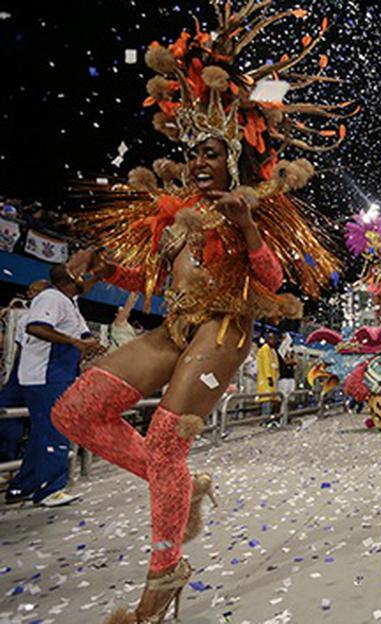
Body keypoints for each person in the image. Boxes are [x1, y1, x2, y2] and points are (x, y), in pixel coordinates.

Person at [46, 3, 353, 621]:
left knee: (165, 441)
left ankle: (163, 578)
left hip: (226, 328)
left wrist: (249, 231)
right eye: (194, 154)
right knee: (73, 411)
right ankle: (184, 488)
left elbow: (271, 281)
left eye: (211, 153)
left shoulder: (249, 207)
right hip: (176, 325)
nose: (200, 163)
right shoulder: (173, 215)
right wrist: (109, 270)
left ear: (232, 157)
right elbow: (159, 282)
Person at [5, 267, 104, 506]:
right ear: (69, 280)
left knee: (42, 435)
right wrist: (74, 343)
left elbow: (82, 336)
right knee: (54, 431)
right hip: (46, 375)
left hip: (59, 374)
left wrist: (91, 345)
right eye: (80, 276)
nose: (83, 279)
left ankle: (23, 487)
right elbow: (36, 327)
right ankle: (49, 489)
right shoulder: (51, 297)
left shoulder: (70, 303)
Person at [0, 279, 49, 465]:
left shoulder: (55, 314)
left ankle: (28, 462)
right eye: (29, 289)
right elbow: (20, 347)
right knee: (7, 409)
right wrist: (13, 373)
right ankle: (7, 456)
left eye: (35, 291)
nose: (30, 293)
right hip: (22, 369)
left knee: (39, 420)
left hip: (43, 371)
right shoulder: (23, 318)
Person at [256, 333, 281, 424]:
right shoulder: (265, 349)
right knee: (266, 400)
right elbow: (266, 364)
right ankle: (264, 420)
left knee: (271, 400)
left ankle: (269, 419)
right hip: (266, 379)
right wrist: (269, 377)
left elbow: (275, 365)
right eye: (272, 339)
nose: (274, 341)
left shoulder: (272, 350)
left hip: (273, 378)